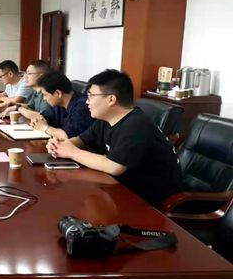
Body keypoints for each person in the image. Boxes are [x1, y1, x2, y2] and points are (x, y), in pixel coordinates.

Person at [46, 69, 182, 207]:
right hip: (121, 188)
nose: (87, 101)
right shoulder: (106, 120)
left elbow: (114, 166)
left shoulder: (135, 124)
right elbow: (82, 140)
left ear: (111, 99)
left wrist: (72, 152)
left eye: (91, 96)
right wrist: (60, 145)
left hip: (151, 199)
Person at [30, 70, 94, 140]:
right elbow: (43, 116)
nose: (44, 99)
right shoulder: (59, 104)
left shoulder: (82, 106)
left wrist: (45, 128)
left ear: (58, 93)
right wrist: (36, 121)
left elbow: (67, 136)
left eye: (45, 95)